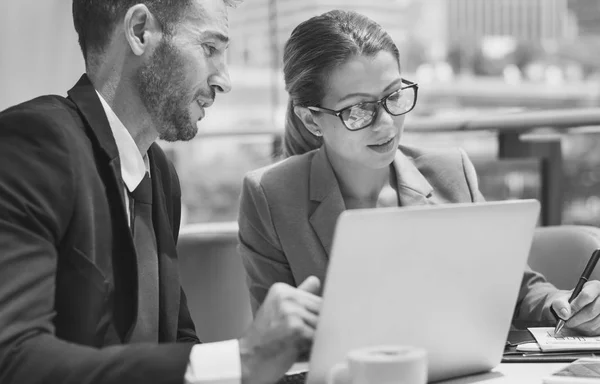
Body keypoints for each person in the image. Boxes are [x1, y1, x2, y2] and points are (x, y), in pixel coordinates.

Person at [0, 1, 321, 384]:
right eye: (210, 48)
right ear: (139, 31)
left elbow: (177, 341)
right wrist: (243, 358)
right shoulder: (32, 142)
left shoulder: (160, 173)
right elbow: (15, 359)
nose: (224, 79)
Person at [238, 9, 600, 336]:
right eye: (359, 110)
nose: (386, 124)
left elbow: (514, 288)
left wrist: (559, 303)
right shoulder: (270, 196)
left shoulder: (450, 172)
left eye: (393, 96)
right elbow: (277, 340)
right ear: (309, 119)